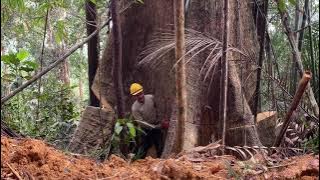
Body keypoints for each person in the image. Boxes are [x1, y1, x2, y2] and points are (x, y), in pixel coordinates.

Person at [130, 83, 169, 158]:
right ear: (134, 96)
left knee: (160, 145)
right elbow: (141, 123)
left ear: (143, 92)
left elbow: (158, 108)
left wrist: (162, 120)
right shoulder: (135, 108)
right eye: (137, 95)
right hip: (145, 130)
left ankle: (161, 162)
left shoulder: (151, 97)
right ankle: (138, 163)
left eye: (140, 93)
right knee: (144, 147)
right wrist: (158, 126)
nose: (140, 96)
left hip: (156, 125)